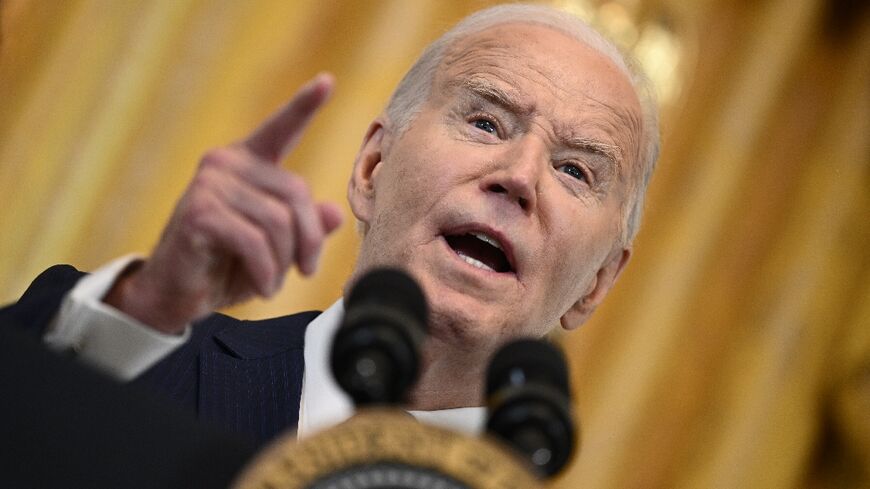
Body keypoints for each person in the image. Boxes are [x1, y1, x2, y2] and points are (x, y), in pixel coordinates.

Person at [2, 4, 658, 446]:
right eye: (485, 121)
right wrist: (145, 311)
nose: (519, 175)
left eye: (575, 170)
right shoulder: (144, 358)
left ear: (598, 281)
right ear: (373, 165)